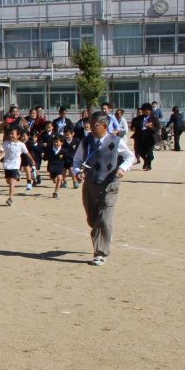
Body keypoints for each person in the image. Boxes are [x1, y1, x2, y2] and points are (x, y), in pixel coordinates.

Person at [71, 111, 135, 266]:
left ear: (105, 126)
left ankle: (100, 253)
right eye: (90, 125)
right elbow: (77, 160)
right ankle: (105, 235)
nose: (91, 127)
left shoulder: (116, 141)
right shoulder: (86, 141)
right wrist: (77, 172)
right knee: (93, 219)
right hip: (90, 184)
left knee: (104, 219)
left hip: (110, 184)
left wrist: (122, 169)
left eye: (95, 125)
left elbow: (130, 156)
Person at [0, 127, 30, 206]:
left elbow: (27, 153)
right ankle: (17, 175)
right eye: (10, 134)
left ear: (18, 135)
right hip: (7, 164)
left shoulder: (21, 144)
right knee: (8, 181)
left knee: (12, 182)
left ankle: (10, 198)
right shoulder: (6, 143)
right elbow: (0, 153)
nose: (11, 135)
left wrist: (32, 161)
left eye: (13, 134)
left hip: (15, 165)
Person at [131, 103, 160, 171]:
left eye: (147, 110)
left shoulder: (154, 118)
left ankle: (148, 165)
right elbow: (133, 125)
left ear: (150, 110)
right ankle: (146, 160)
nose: (146, 111)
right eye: (144, 110)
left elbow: (157, 128)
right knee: (140, 152)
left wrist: (151, 127)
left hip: (150, 138)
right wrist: (133, 128)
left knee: (149, 152)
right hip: (141, 138)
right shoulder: (138, 118)